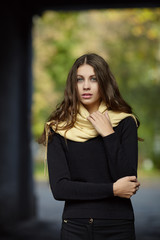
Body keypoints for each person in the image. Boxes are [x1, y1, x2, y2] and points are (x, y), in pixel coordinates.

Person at [38, 53, 141, 240]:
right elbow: (60, 189)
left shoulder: (124, 122)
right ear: (73, 85)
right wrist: (112, 189)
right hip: (75, 227)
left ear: (104, 82)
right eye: (80, 79)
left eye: (93, 79)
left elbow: (128, 180)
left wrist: (108, 134)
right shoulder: (58, 128)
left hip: (118, 227)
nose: (86, 86)